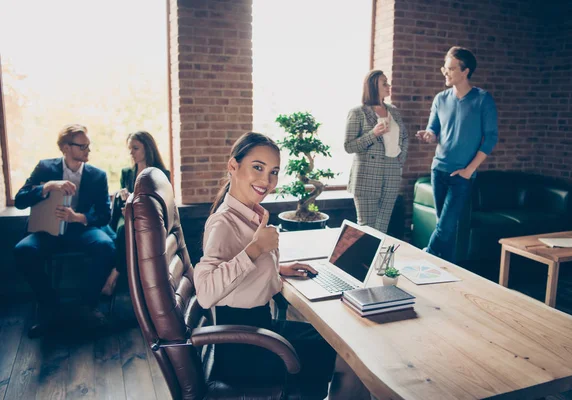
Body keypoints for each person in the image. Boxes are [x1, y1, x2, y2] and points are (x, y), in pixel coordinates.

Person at [194, 132, 370, 399]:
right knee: (353, 360)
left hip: (259, 333)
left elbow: (236, 272)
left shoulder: (250, 213)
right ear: (233, 166)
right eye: (257, 167)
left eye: (274, 172)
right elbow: (206, 293)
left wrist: (276, 268)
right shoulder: (223, 223)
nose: (266, 180)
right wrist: (256, 249)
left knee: (343, 344)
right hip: (246, 348)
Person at [14, 124, 116, 338]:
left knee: (106, 246)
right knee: (23, 250)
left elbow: (105, 215)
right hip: (47, 230)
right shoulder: (45, 168)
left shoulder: (97, 175)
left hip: (80, 230)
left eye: (89, 145)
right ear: (65, 148)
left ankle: (87, 307)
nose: (88, 150)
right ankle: (49, 307)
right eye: (82, 146)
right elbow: (21, 200)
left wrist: (78, 217)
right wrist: (48, 186)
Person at [416, 46, 498, 262]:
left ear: (465, 71)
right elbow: (434, 129)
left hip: (461, 175)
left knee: (446, 226)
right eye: (445, 68)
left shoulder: (482, 99)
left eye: (451, 68)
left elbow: (490, 138)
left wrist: (469, 171)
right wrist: (429, 136)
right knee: (446, 227)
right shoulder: (440, 99)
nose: (445, 72)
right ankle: (446, 271)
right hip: (438, 170)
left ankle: (427, 256)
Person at [101, 131, 170, 296]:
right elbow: (122, 202)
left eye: (135, 148)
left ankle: (115, 274)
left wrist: (136, 208)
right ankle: (129, 281)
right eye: (130, 148)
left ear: (147, 148)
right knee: (123, 229)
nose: (131, 152)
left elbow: (162, 204)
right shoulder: (127, 173)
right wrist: (124, 199)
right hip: (126, 215)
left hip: (149, 218)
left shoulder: (161, 174)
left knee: (125, 231)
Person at [344, 69, 409, 234]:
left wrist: (399, 161)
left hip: (392, 174)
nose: (389, 86)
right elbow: (349, 146)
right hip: (367, 175)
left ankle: (377, 261)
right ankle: (361, 260)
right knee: (366, 229)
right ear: (373, 86)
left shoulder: (393, 111)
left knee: (382, 229)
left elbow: (405, 138)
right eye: (384, 83)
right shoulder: (358, 113)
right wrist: (373, 134)